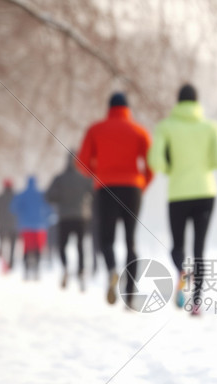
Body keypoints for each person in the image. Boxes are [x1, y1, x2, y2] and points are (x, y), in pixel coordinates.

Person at [148, 84, 217, 316]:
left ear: (178, 101)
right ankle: (196, 303)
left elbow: (155, 161)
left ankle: (183, 271)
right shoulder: (210, 126)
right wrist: (204, 168)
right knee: (199, 248)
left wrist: (170, 168)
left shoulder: (166, 127)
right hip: (206, 192)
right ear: (196, 102)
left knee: (178, 245)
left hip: (178, 193)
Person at [77, 92, 153, 305]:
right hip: (132, 189)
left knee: (106, 239)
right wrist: (141, 184)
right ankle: (129, 294)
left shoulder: (95, 129)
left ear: (109, 108)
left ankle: (112, 269)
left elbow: (81, 163)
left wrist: (97, 173)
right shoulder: (140, 131)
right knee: (131, 241)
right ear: (127, 108)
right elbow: (151, 165)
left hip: (106, 187)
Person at [46, 152, 94, 291]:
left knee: (62, 245)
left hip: (64, 217)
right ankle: (81, 272)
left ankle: (65, 267)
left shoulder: (59, 178)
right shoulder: (85, 178)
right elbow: (94, 193)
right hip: (81, 217)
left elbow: (49, 196)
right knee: (80, 246)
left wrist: (60, 199)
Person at [11, 175, 52, 281]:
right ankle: (37, 269)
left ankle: (26, 270)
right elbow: (49, 209)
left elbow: (13, 208)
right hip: (40, 227)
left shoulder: (22, 195)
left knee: (26, 248)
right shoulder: (41, 195)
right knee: (38, 248)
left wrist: (21, 215)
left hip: (26, 227)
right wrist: (47, 220)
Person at [0, 178, 18, 273]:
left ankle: (2, 260)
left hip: (1, 225)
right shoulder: (16, 197)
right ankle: (11, 263)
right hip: (14, 226)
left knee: (2, 242)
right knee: (13, 245)